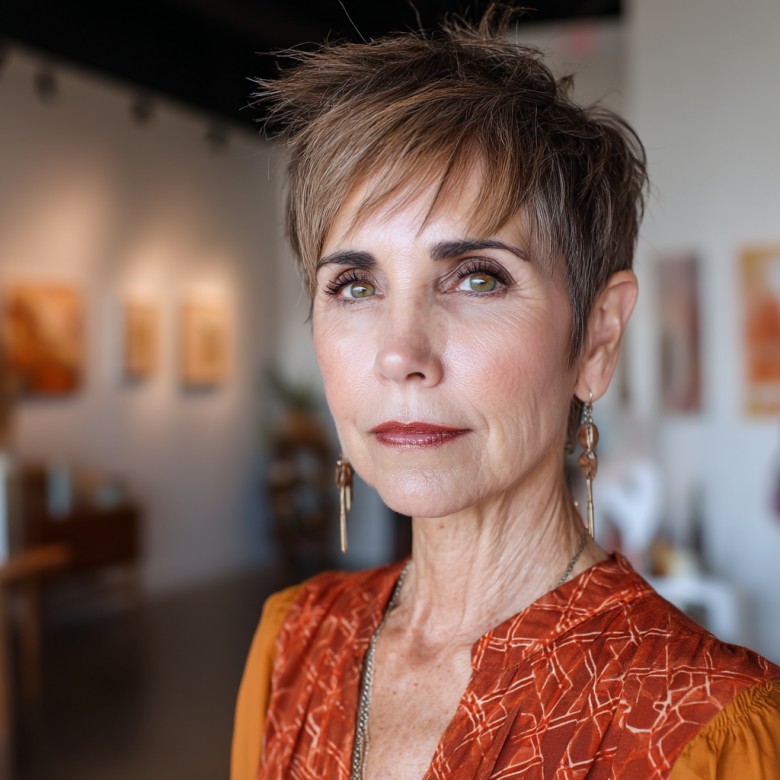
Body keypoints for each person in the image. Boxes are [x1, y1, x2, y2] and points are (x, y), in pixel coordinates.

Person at [232, 8, 780, 779]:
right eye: (354, 285)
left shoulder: (712, 729)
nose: (400, 354)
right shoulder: (290, 642)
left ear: (596, 338)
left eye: (477, 278)